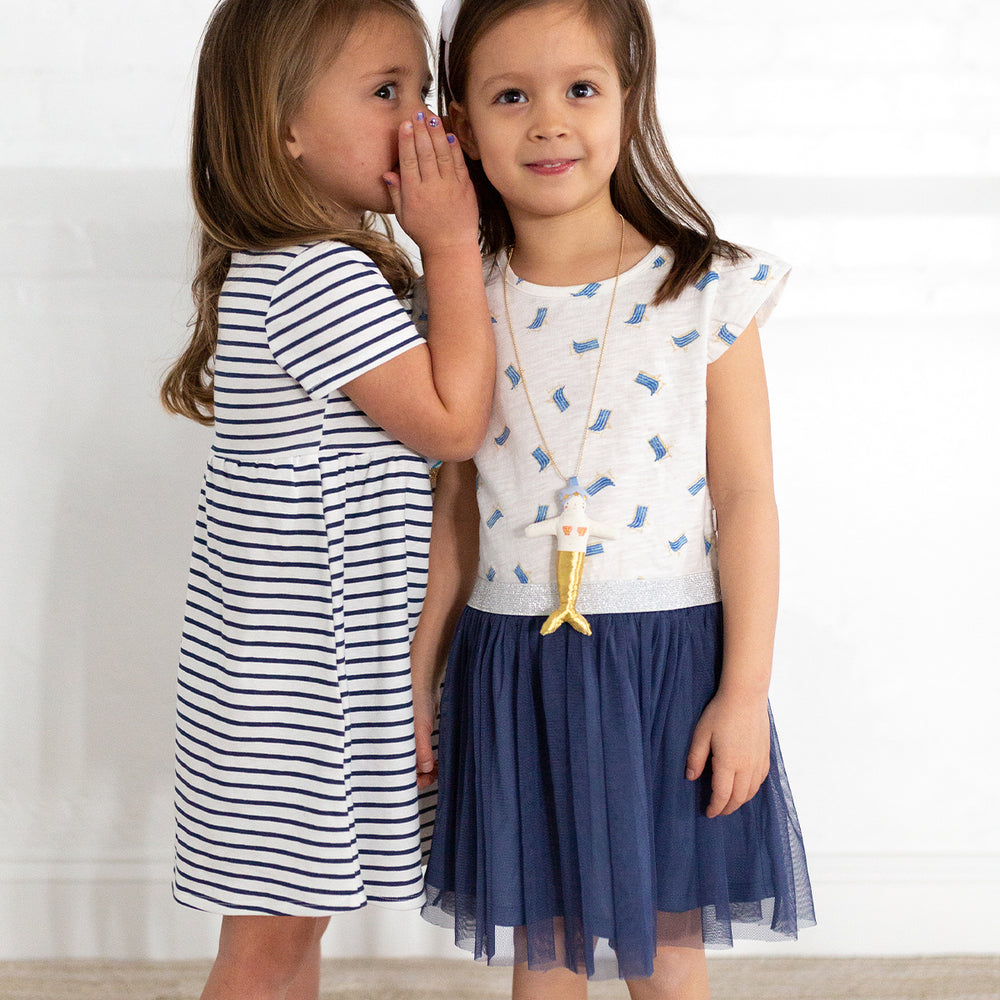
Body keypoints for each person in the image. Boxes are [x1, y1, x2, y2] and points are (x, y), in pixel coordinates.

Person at [411, 0, 816, 995]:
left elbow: (748, 496)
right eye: (511, 96)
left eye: (580, 90)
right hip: (510, 662)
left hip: (666, 660)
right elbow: (451, 515)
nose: (549, 121)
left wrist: (745, 689)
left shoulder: (703, 287)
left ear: (629, 104)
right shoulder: (457, 300)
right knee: (541, 944)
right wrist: (421, 676)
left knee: (666, 942)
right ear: (459, 123)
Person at [159, 0, 494, 996]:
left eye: (422, 91)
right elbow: (454, 423)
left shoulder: (318, 271)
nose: (418, 122)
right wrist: (453, 241)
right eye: (385, 92)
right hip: (293, 690)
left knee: (288, 934)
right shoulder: (316, 280)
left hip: (289, 674)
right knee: (269, 942)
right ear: (281, 129)